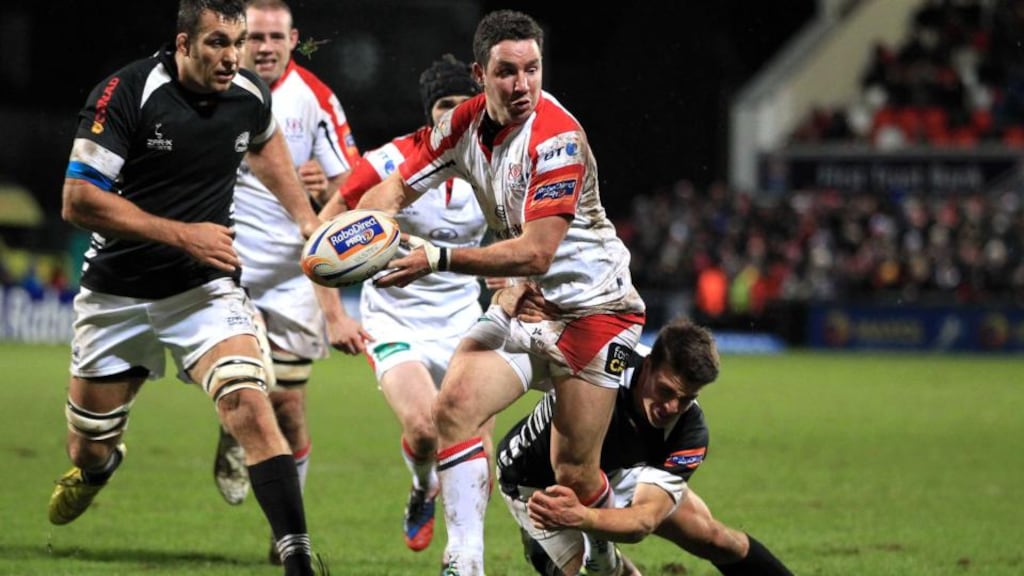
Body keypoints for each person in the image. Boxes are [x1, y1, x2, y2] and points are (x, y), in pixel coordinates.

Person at [354, 10, 646, 575]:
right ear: (480, 74)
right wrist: (369, 228)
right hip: (526, 304)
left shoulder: (557, 138)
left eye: (533, 70)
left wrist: (436, 258)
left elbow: (537, 251)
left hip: (596, 315)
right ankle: (464, 561)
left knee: (574, 476)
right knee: (455, 408)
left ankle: (606, 558)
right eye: (508, 72)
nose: (522, 85)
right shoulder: (461, 123)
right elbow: (395, 185)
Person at [48, 1, 325, 574]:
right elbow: (78, 201)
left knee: (250, 402)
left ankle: (297, 555)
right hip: (117, 294)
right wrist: (184, 235)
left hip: (203, 290)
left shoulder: (249, 93)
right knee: (88, 447)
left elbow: (267, 143)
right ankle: (101, 467)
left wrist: (305, 219)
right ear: (183, 43)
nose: (233, 57)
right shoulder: (126, 93)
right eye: (218, 43)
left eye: (238, 42)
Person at [209, 0, 364, 565]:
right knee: (254, 390)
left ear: (293, 39)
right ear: (239, 39)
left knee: (291, 409)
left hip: (297, 274)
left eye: (276, 36)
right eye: (255, 36)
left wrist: (326, 186)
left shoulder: (316, 100)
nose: (265, 46)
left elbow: (354, 189)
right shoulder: (216, 91)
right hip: (230, 269)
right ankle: (241, 436)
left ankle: (283, 527)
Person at [319, 54, 493, 555]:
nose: (456, 114)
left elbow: (516, 237)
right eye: (445, 105)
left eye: (467, 104)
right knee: (422, 431)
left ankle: (463, 559)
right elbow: (323, 232)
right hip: (395, 317)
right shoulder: (388, 163)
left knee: (481, 461)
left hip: (464, 321)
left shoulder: (496, 165)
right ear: (429, 113)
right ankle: (423, 488)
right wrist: (335, 314)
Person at [495, 287, 794, 576]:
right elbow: (520, 346)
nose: (672, 407)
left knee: (715, 537)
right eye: (666, 391)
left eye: (687, 398)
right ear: (648, 365)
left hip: (618, 473)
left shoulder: (689, 431)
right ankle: (545, 550)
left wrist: (585, 517)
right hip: (534, 481)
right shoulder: (605, 360)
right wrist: (509, 293)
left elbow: (643, 520)